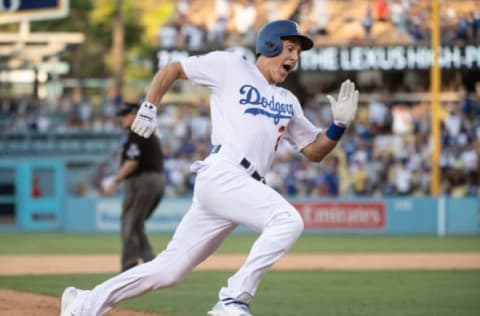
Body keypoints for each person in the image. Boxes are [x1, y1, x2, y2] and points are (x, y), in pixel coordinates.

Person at [60, 19, 358, 316]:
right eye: (290, 48)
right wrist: (149, 108)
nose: (294, 57)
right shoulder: (232, 67)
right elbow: (174, 69)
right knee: (288, 221)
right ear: (269, 45)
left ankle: (83, 303)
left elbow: (314, 152)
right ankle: (232, 300)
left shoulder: (288, 101)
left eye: (298, 52)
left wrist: (338, 125)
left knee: (168, 271)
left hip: (240, 185)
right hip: (223, 171)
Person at [102, 102, 165, 272]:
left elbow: (132, 163)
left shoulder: (137, 131)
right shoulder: (149, 131)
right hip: (155, 179)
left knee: (129, 221)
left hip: (143, 181)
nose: (122, 119)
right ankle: (152, 262)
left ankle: (129, 267)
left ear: (135, 114)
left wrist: (115, 182)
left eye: (125, 115)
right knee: (136, 223)